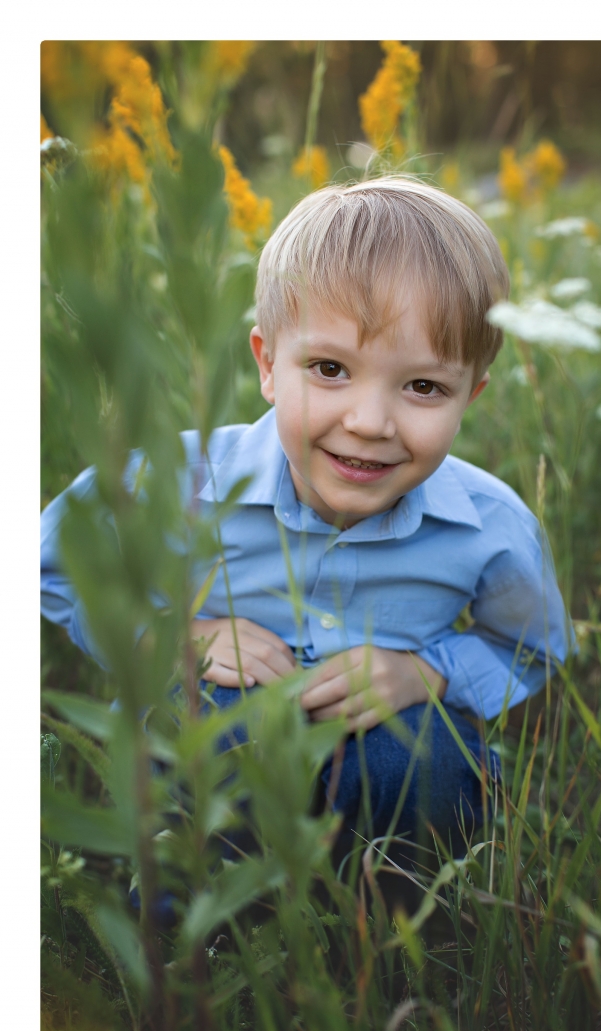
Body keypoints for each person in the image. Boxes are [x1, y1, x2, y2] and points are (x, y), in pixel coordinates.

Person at [41, 176, 572, 856]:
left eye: (423, 387)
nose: (369, 422)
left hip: (386, 748)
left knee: (425, 755)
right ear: (267, 364)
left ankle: (393, 929)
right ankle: (190, 925)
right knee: (214, 725)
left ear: (471, 394)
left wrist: (429, 673)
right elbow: (55, 564)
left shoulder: (489, 524)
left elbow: (531, 643)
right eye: (328, 368)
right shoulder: (179, 480)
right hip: (209, 749)